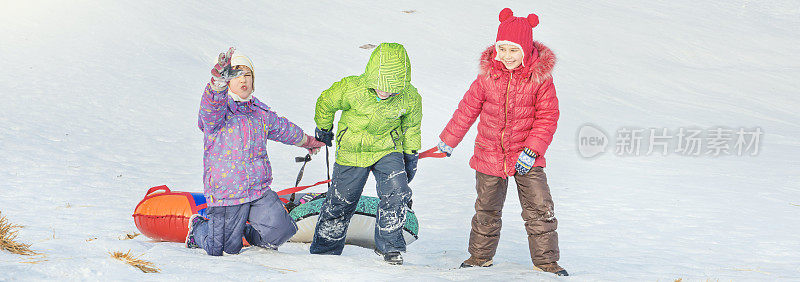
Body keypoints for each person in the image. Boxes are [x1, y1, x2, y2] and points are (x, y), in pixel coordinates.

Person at [436, 8, 568, 276]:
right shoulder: (487, 77)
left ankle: (546, 262)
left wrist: (532, 150)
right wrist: (449, 140)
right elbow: (467, 109)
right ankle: (479, 257)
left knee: (540, 208)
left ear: (527, 49)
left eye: (513, 50)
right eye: (502, 49)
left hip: (527, 157)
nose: (507, 56)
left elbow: (548, 117)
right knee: (486, 208)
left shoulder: (539, 79)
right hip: (489, 153)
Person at [185, 47, 325, 256]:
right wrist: (217, 85)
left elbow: (284, 129)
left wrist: (308, 142)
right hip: (229, 193)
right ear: (227, 81)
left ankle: (248, 231)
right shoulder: (219, 114)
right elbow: (211, 107)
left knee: (281, 229)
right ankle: (198, 227)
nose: (243, 79)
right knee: (223, 249)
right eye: (236, 75)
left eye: (248, 75)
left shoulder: (259, 112)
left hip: (257, 189)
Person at [309, 43, 422, 265]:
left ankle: (390, 247)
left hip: (387, 149)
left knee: (397, 193)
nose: (385, 91)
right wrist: (323, 128)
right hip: (353, 150)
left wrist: (410, 154)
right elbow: (326, 102)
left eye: (392, 87)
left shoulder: (410, 97)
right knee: (342, 200)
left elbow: (411, 127)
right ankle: (325, 249)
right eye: (380, 85)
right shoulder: (352, 88)